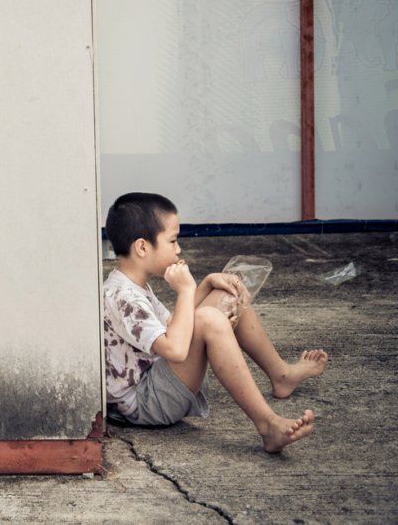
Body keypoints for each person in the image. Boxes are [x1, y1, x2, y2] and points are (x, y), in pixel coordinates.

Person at [103, 192, 328, 453]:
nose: (179, 249)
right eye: (173, 241)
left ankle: (282, 375)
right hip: (144, 403)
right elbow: (176, 349)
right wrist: (186, 291)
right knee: (209, 319)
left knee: (227, 297)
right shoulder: (122, 297)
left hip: (157, 378)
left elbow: (173, 325)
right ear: (142, 247)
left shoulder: (133, 286)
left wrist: (207, 283)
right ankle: (268, 425)